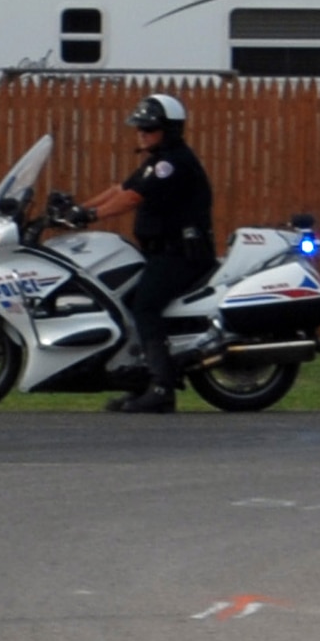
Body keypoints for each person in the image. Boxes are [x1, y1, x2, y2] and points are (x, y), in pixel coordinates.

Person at [79, 93, 214, 414]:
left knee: (145, 306)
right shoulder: (156, 161)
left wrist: (91, 217)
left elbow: (130, 200)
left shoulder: (172, 163)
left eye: (149, 128)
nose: (141, 132)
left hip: (182, 255)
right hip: (163, 253)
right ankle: (141, 381)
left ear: (169, 130)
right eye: (139, 127)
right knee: (125, 300)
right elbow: (120, 190)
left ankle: (161, 388)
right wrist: (77, 208)